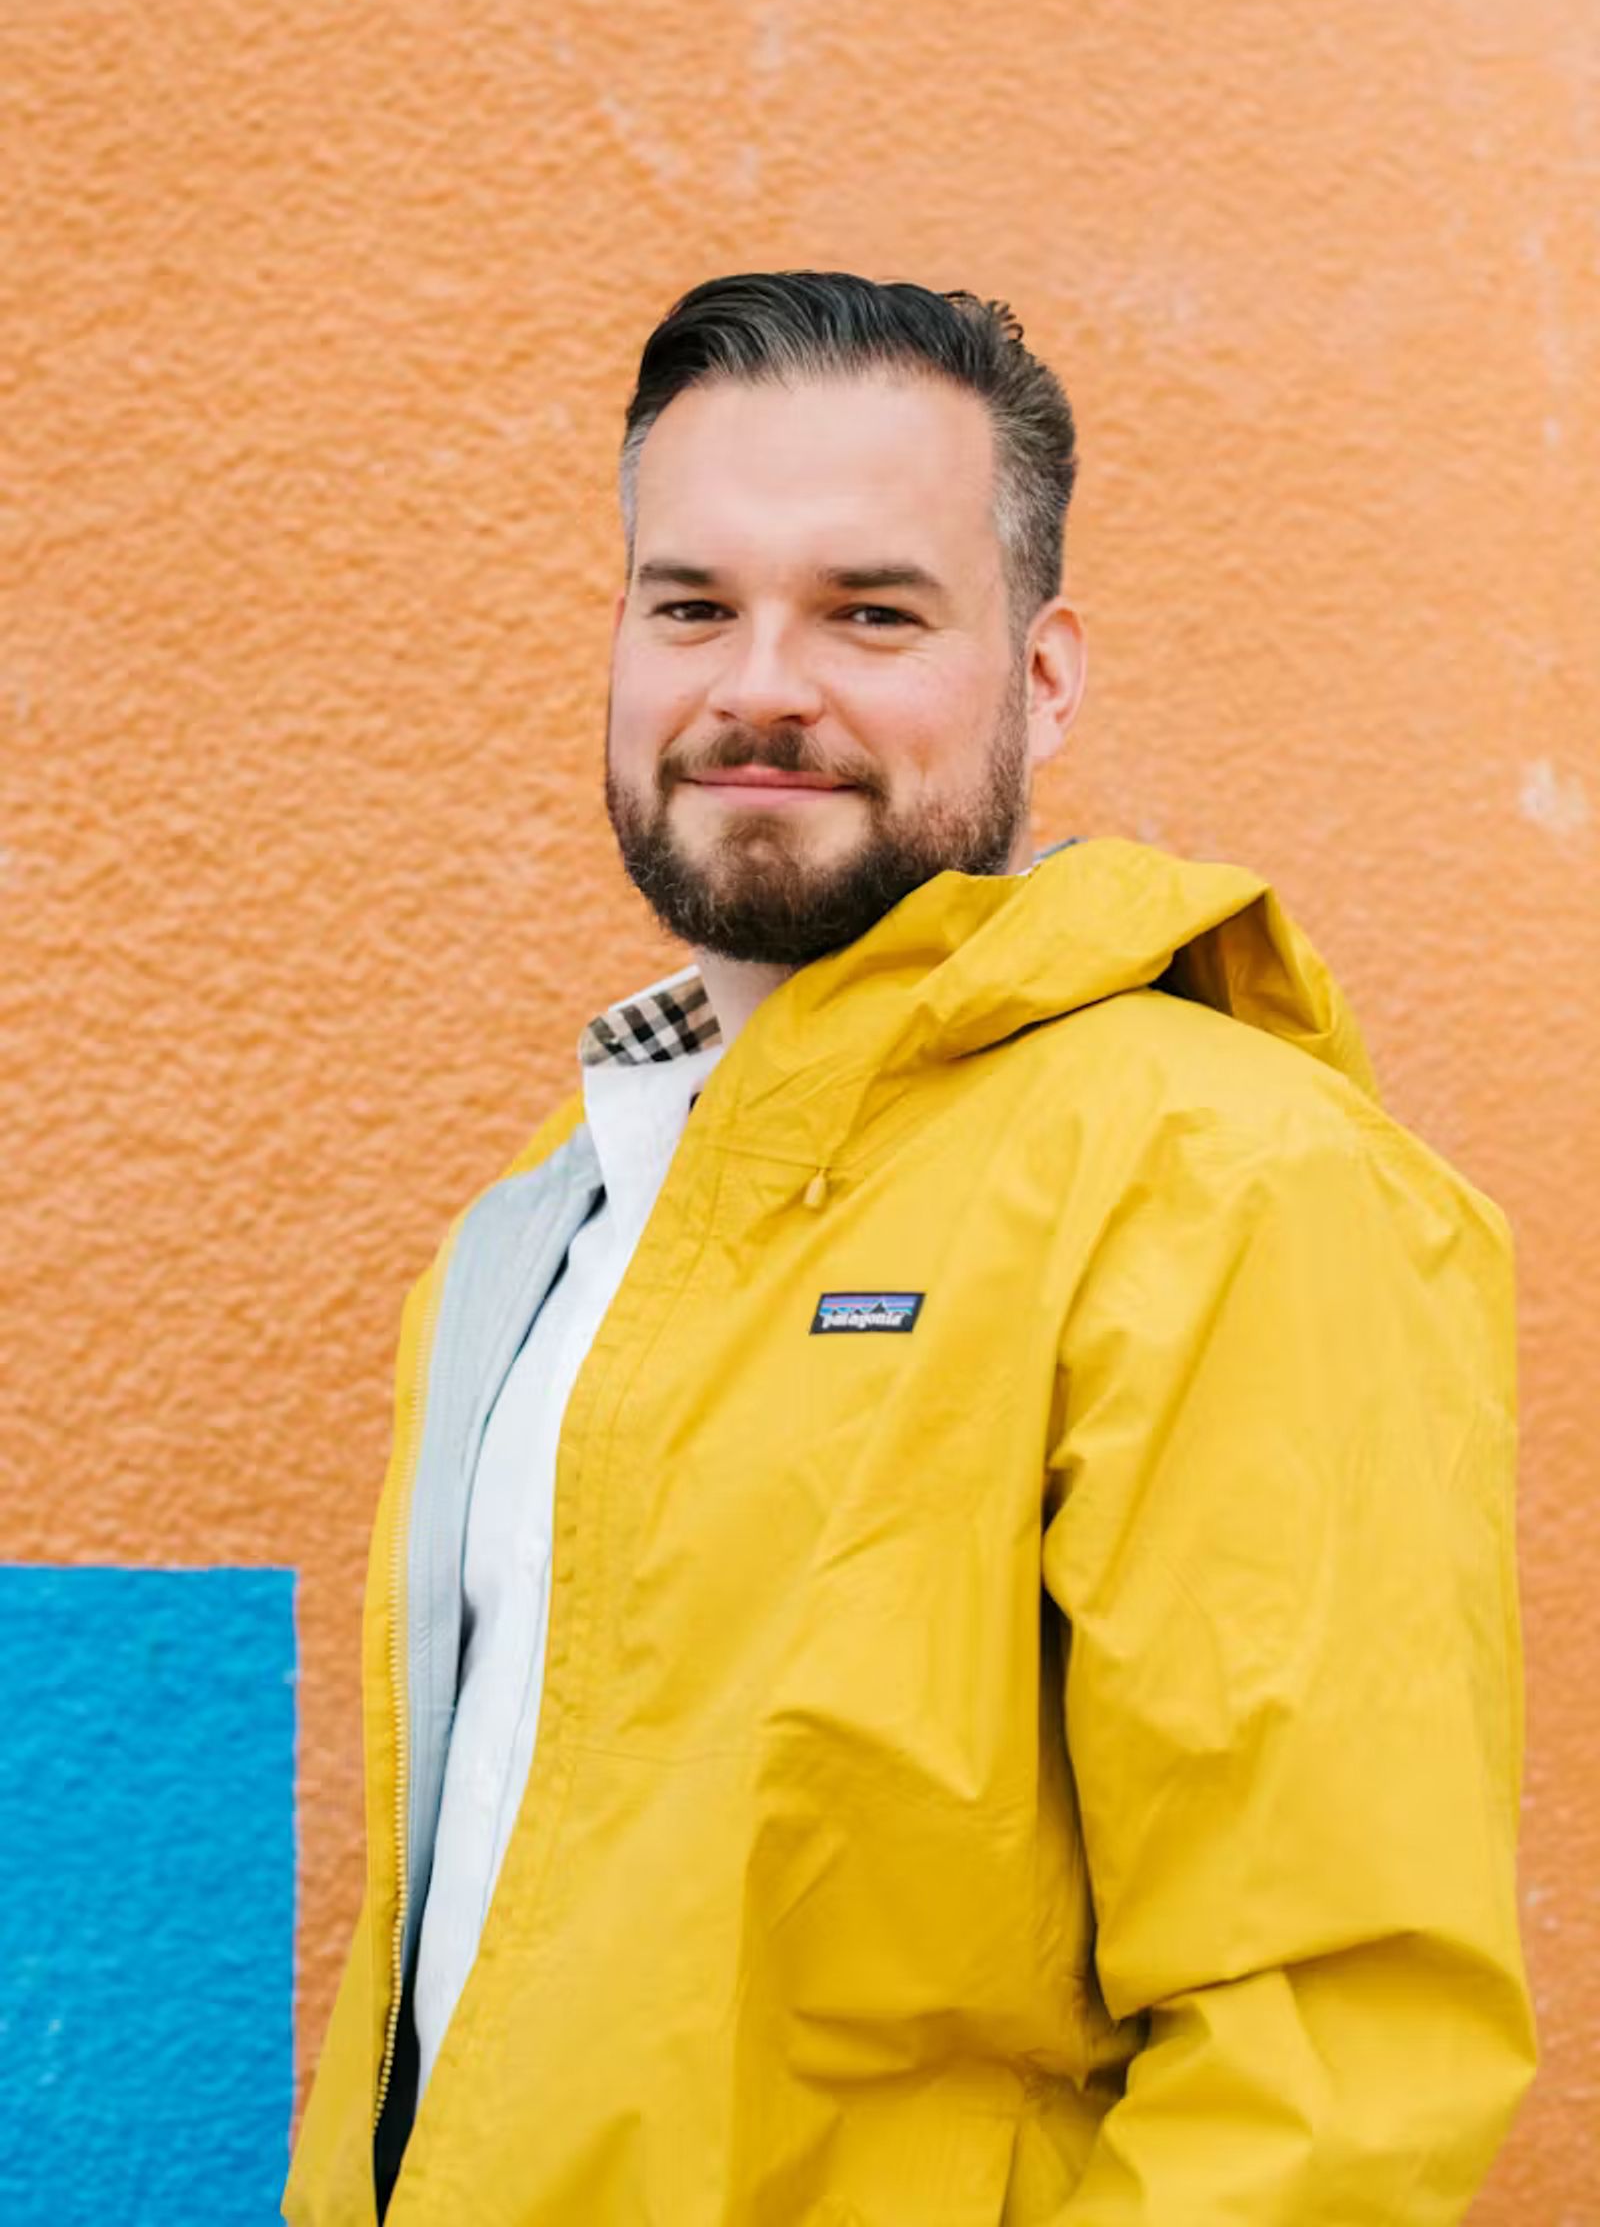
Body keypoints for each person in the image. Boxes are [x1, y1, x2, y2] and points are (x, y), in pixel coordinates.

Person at [285, 271, 1535, 2226]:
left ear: (1041, 676)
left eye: (870, 613)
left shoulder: (1218, 1180)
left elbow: (1329, 2050)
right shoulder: (552, 1214)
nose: (759, 682)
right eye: (690, 604)